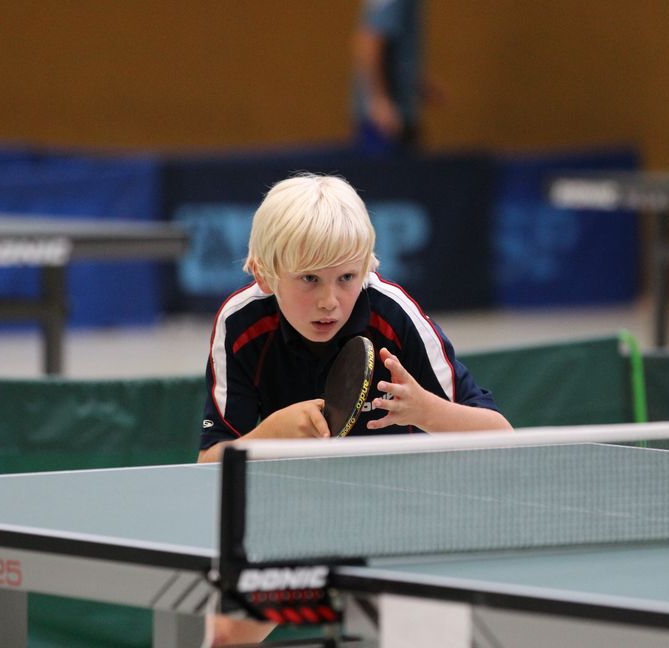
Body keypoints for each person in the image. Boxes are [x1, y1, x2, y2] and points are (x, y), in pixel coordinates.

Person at [197, 173, 512, 645]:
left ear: (365, 265)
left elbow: (502, 437)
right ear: (264, 273)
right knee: (225, 635)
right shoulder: (240, 325)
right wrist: (272, 433)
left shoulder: (394, 315)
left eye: (347, 277)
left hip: (405, 521)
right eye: (309, 279)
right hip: (296, 519)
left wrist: (424, 410)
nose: (330, 301)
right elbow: (206, 467)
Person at [352, 0, 433, 154]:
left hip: (398, 112)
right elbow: (370, 41)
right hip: (386, 119)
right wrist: (379, 99)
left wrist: (416, 83)